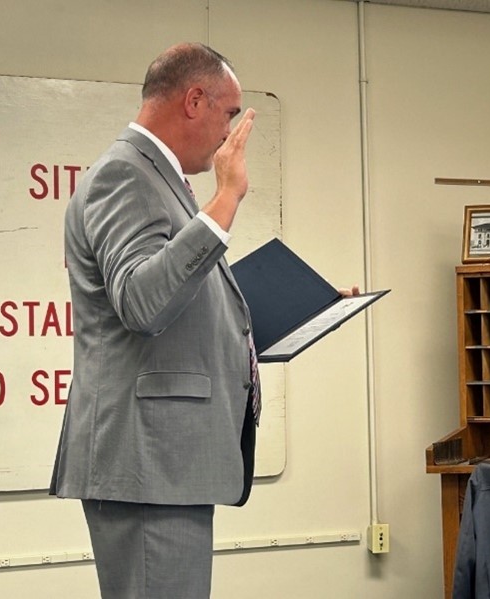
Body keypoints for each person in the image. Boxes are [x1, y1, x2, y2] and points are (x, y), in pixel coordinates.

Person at [50, 42, 299, 598]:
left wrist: (300, 303)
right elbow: (141, 300)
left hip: (164, 465)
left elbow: (177, 298)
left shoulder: (155, 178)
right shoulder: (125, 174)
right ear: (194, 99)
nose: (231, 130)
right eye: (229, 113)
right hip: (148, 464)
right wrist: (228, 196)